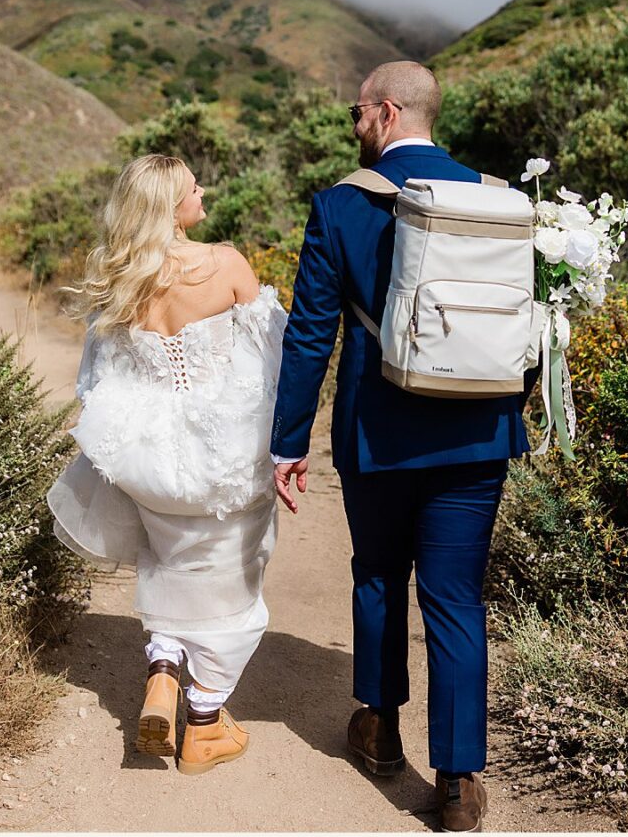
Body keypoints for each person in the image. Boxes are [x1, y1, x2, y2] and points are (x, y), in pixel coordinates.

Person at [270, 61, 538, 831]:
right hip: (478, 430)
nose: (353, 125)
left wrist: (288, 442)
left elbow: (311, 337)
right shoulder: (497, 200)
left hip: (377, 431)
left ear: (387, 112)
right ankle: (457, 784)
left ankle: (380, 731)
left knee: (379, 573)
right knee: (455, 598)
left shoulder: (340, 207)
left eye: (357, 112)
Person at [47, 154, 288, 776]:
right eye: (191, 187)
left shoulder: (119, 275)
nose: (202, 191)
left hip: (150, 457)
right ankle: (205, 721)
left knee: (168, 557)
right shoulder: (226, 263)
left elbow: (97, 377)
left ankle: (162, 671)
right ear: (170, 204)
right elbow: (272, 357)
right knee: (235, 576)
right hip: (224, 453)